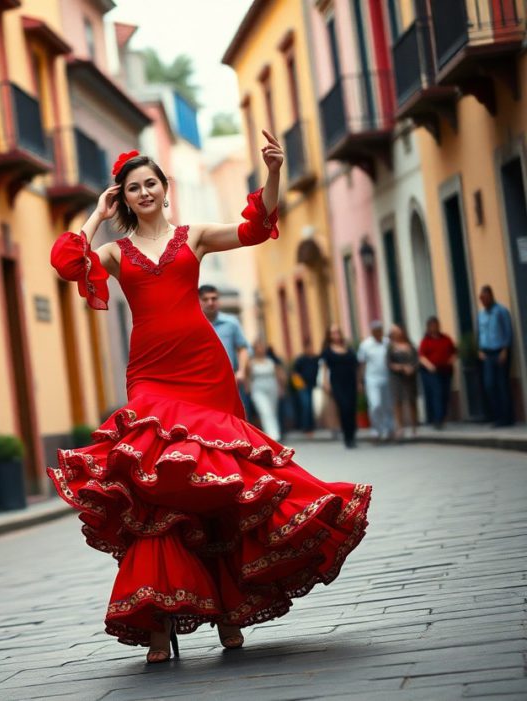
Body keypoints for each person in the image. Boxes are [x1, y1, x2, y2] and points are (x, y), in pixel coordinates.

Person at [48, 132, 371, 664]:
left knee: (220, 484)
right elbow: (67, 263)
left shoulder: (193, 235)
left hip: (205, 371)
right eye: (134, 188)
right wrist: (95, 216)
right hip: (150, 376)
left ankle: (229, 612)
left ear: (165, 188)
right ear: (123, 197)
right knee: (155, 489)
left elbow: (254, 229)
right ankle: (157, 623)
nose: (145, 192)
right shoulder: (111, 249)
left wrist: (272, 173)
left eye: (152, 183)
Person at [199, 284, 252, 416]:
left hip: (231, 381)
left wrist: (241, 372)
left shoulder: (231, 322)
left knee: (238, 417)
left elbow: (243, 348)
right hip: (204, 382)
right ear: (199, 301)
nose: (210, 303)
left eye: (214, 298)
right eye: (205, 299)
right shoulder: (195, 324)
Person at [477, 285, 515, 426]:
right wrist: (479, 350)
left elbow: (508, 331)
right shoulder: (480, 315)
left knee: (502, 385)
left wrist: (505, 349)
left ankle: (506, 418)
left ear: (491, 296)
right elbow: (480, 333)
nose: (483, 301)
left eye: (485, 298)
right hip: (486, 354)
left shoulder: (501, 311)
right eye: (481, 299)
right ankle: (496, 415)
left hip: (500, 352)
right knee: (489, 385)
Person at [321, 325, 359, 448]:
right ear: (329, 336)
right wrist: (325, 382)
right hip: (337, 383)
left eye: (337, 332)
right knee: (344, 408)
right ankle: (347, 436)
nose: (335, 335)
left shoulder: (348, 348)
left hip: (351, 381)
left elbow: (356, 366)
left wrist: (359, 382)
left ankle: (352, 435)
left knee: (352, 408)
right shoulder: (327, 351)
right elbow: (324, 368)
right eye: (333, 333)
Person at [357, 320, 394, 442]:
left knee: (387, 405)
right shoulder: (365, 345)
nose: (378, 332)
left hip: (387, 377)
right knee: (375, 404)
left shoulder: (386, 343)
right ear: (372, 331)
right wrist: (360, 381)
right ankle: (376, 429)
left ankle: (389, 429)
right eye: (376, 330)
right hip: (372, 379)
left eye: (380, 330)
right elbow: (361, 364)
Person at [418, 316, 456, 429]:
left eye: (437, 325)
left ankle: (442, 417)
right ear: (429, 327)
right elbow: (421, 356)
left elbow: (454, 352)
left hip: (446, 370)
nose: (435, 327)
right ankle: (437, 419)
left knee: (445, 394)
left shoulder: (446, 338)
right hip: (432, 372)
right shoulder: (426, 341)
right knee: (437, 393)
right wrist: (430, 366)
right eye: (433, 325)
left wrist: (451, 360)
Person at [245, 339, 285, 441]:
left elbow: (278, 375)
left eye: (262, 347)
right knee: (264, 411)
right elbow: (247, 377)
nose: (261, 349)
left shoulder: (271, 361)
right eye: (258, 347)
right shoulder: (251, 363)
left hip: (272, 387)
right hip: (258, 389)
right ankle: (273, 436)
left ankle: (274, 432)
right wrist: (247, 389)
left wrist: (281, 387)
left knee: (272, 411)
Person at [387, 324, 419, 439]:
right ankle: (400, 427)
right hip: (397, 378)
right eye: (394, 332)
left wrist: (412, 368)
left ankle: (414, 427)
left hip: (410, 377)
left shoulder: (410, 346)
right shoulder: (390, 347)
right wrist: (401, 367)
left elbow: (416, 360)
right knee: (398, 402)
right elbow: (388, 363)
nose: (397, 334)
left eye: (398, 331)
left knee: (412, 401)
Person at [292, 340, 321, 437]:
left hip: (313, 386)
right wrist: (300, 384)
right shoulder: (301, 360)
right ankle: (306, 427)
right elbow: (295, 373)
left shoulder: (316, 359)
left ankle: (311, 426)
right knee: (306, 405)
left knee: (312, 406)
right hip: (303, 387)